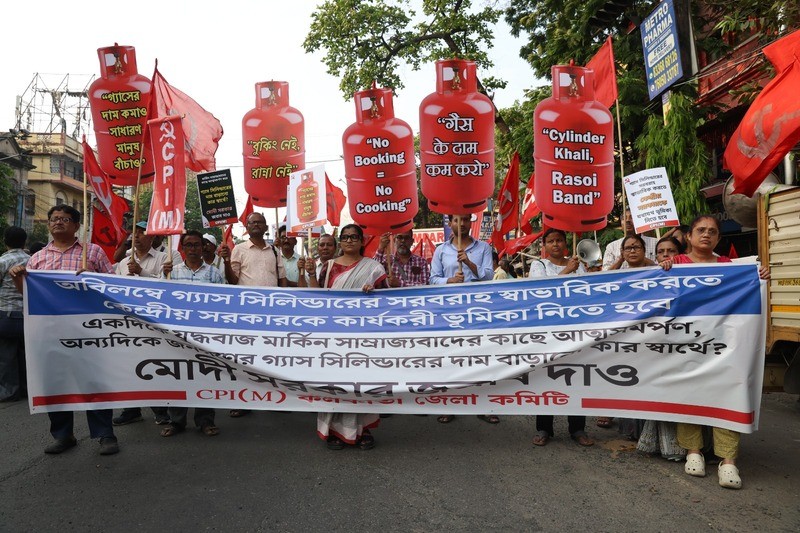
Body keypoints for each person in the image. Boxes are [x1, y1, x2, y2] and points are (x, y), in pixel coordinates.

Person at [660, 214, 770, 489]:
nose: (706, 235)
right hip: (686, 346)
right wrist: (661, 271)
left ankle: (728, 460)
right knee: (689, 393)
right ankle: (693, 452)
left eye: (712, 231)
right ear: (689, 236)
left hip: (724, 347)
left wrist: (760, 278)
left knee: (728, 395)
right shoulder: (676, 265)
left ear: (719, 238)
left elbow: (748, 293)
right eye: (700, 230)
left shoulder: (730, 268)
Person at [8, 205, 119, 455]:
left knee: (94, 381)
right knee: (55, 382)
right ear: (48, 224)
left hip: (88, 331)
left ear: (76, 225)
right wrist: (18, 277)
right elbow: (29, 296)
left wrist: (93, 278)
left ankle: (105, 434)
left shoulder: (93, 252)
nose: (58, 222)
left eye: (65, 219)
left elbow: (112, 286)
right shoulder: (36, 259)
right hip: (51, 332)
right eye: (54, 219)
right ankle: (63, 435)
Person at [306, 224, 386, 450]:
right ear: (340, 242)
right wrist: (312, 274)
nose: (349, 241)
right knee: (333, 383)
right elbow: (316, 299)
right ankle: (332, 430)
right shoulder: (328, 267)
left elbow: (387, 303)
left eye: (354, 237)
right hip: (333, 335)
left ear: (362, 241)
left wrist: (375, 292)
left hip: (361, 336)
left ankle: (363, 430)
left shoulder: (374, 269)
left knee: (360, 382)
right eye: (345, 237)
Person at [528, 228, 594, 447]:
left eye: (559, 240)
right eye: (550, 241)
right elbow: (540, 291)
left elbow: (587, 293)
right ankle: (544, 428)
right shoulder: (539, 265)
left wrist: (574, 268)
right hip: (548, 331)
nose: (555, 244)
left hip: (575, 330)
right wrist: (567, 271)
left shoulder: (579, 265)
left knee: (576, 378)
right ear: (544, 246)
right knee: (546, 378)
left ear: (566, 243)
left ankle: (577, 428)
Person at [219, 212, 287, 418]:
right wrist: (226, 260)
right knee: (247, 357)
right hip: (247, 313)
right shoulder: (238, 249)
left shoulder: (275, 251)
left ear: (266, 227)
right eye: (252, 222)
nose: (256, 225)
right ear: (246, 227)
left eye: (259, 222)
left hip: (273, 313)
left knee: (272, 355)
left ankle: (277, 397)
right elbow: (232, 280)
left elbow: (282, 279)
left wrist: (285, 305)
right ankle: (244, 399)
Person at [430, 214, 496, 424]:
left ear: (470, 223)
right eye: (457, 221)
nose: (462, 224)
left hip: (478, 312)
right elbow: (432, 279)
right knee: (451, 358)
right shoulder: (441, 250)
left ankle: (485, 406)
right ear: (451, 224)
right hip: (450, 313)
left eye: (466, 220)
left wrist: (468, 262)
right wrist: (449, 280)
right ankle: (450, 404)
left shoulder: (483, 247)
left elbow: (488, 276)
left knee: (481, 358)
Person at [159, 230, 224, 438]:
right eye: (189, 245)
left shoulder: (214, 273)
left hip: (205, 335)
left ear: (203, 248)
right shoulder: (171, 271)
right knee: (178, 376)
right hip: (178, 334)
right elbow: (161, 299)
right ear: (183, 248)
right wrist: (163, 275)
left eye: (197, 245)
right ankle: (177, 421)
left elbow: (223, 303)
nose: (194, 249)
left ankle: (205, 421)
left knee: (205, 376)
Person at [111, 221, 170, 426]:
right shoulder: (123, 262)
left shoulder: (167, 258)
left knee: (154, 366)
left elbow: (169, 288)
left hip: (155, 322)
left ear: (152, 236)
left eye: (141, 233)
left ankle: (161, 409)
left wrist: (142, 273)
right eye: (133, 233)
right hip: (128, 323)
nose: (136, 237)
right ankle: (132, 408)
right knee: (129, 366)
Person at [0, 226, 29, 402]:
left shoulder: (2, 261)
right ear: (24, 241)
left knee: (6, 356)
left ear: (5, 242)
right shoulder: (34, 260)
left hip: (7, 315)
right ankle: (27, 389)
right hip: (29, 314)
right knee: (26, 354)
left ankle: (10, 392)